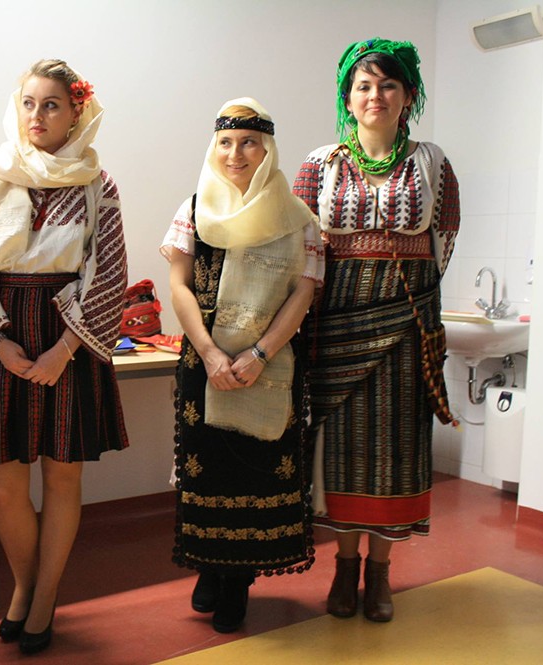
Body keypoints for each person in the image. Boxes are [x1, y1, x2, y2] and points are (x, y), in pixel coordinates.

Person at [0, 59, 129, 655]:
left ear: (75, 113)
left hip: (68, 336)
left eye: (51, 105)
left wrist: (64, 349)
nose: (37, 115)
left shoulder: (97, 184)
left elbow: (110, 271)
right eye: (28, 103)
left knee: (62, 476)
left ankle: (43, 599)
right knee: (3, 480)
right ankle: (26, 585)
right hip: (3, 333)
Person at [292, 38, 460, 623]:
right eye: (363, 86)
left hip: (407, 326)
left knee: (398, 451)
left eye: (388, 85)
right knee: (341, 449)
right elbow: (301, 244)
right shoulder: (320, 164)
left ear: (408, 95)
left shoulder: (432, 162)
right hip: (335, 326)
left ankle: (381, 572)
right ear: (348, 97)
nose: (375, 96)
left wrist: (406, 301)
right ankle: (344, 566)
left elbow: (444, 238)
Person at [161, 98, 323, 633]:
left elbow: (303, 293)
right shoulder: (193, 209)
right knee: (206, 468)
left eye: (249, 142)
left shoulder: (298, 219)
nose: (236, 153)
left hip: (268, 367)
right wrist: (210, 352)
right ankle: (210, 567)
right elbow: (179, 286)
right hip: (203, 365)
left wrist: (259, 354)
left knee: (255, 471)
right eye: (226, 142)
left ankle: (238, 582)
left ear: (268, 149)